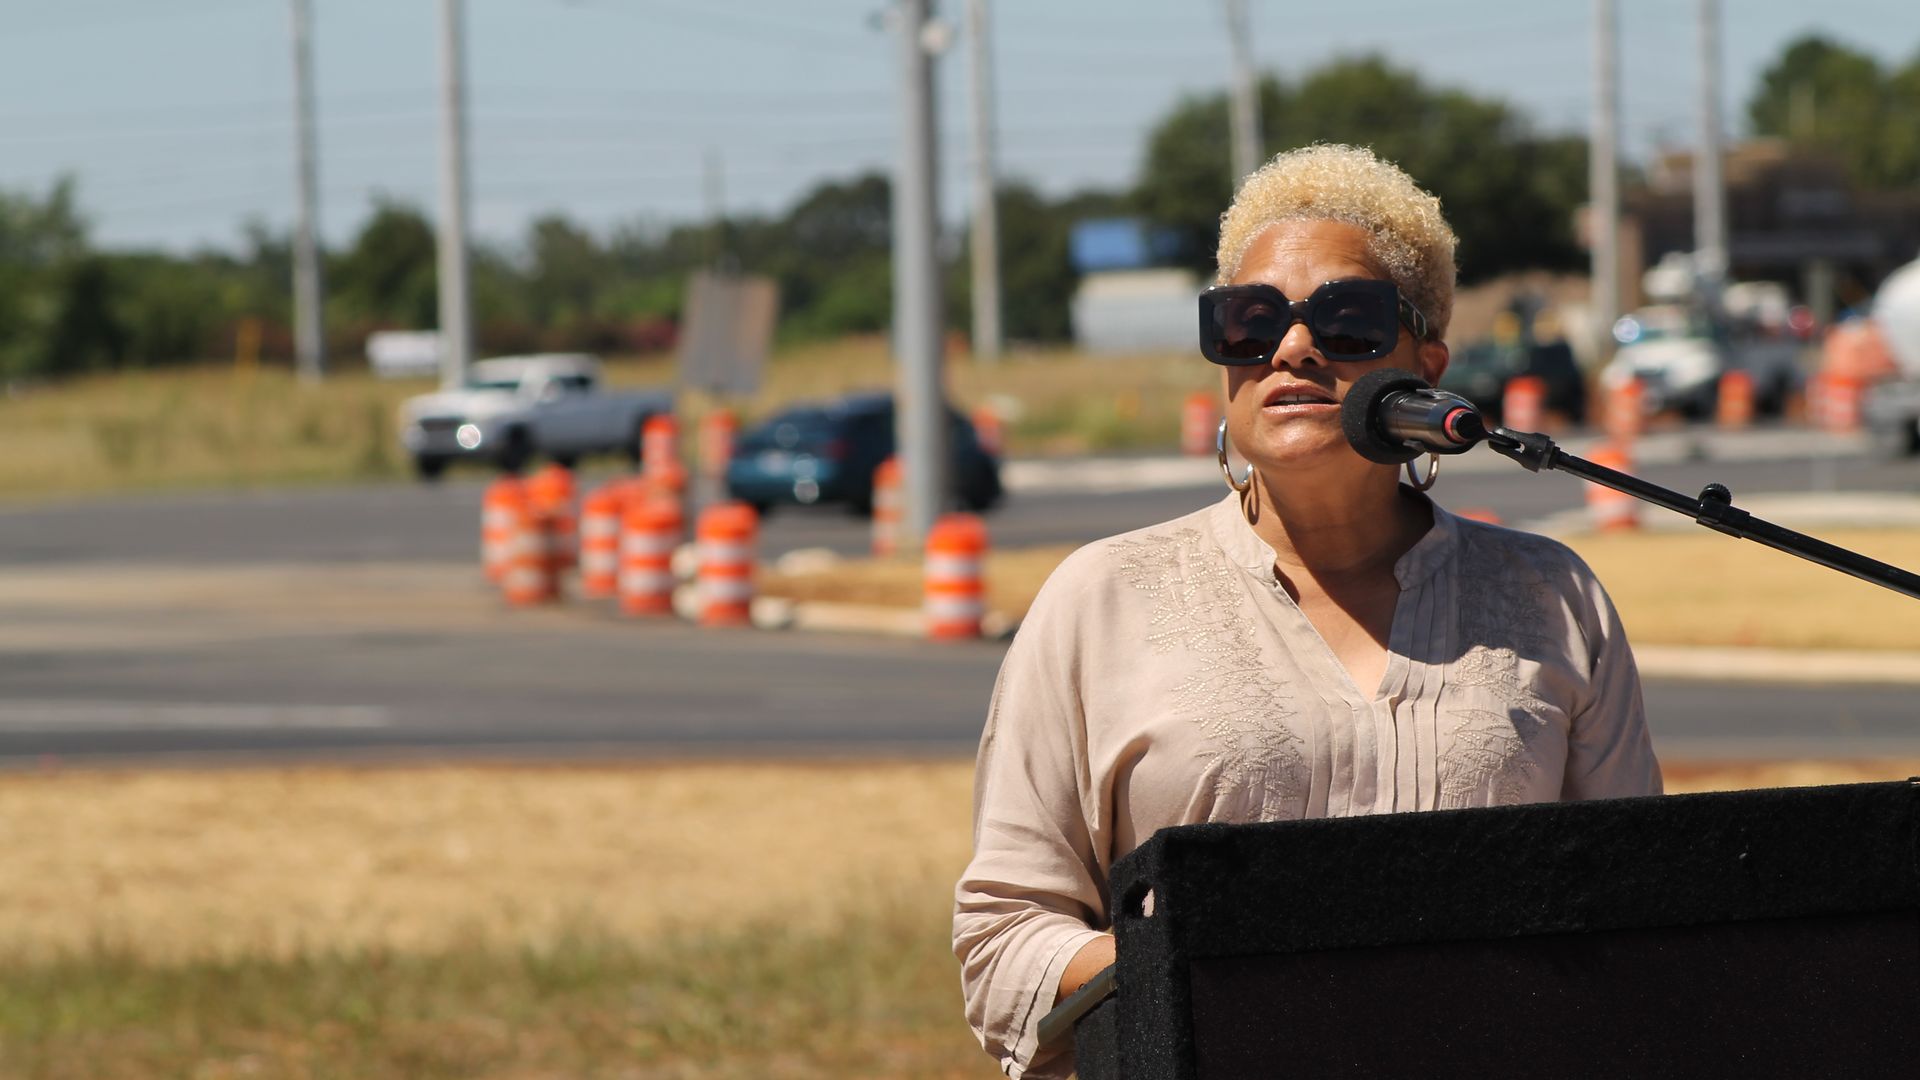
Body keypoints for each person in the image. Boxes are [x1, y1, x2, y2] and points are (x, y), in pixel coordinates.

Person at [952, 144, 1662, 1080]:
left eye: (1347, 318)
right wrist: (1216, 971)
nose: (1291, 348)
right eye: (1248, 321)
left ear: (1428, 362)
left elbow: (1645, 921)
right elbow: (1005, 943)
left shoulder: (1552, 597)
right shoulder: (1100, 598)